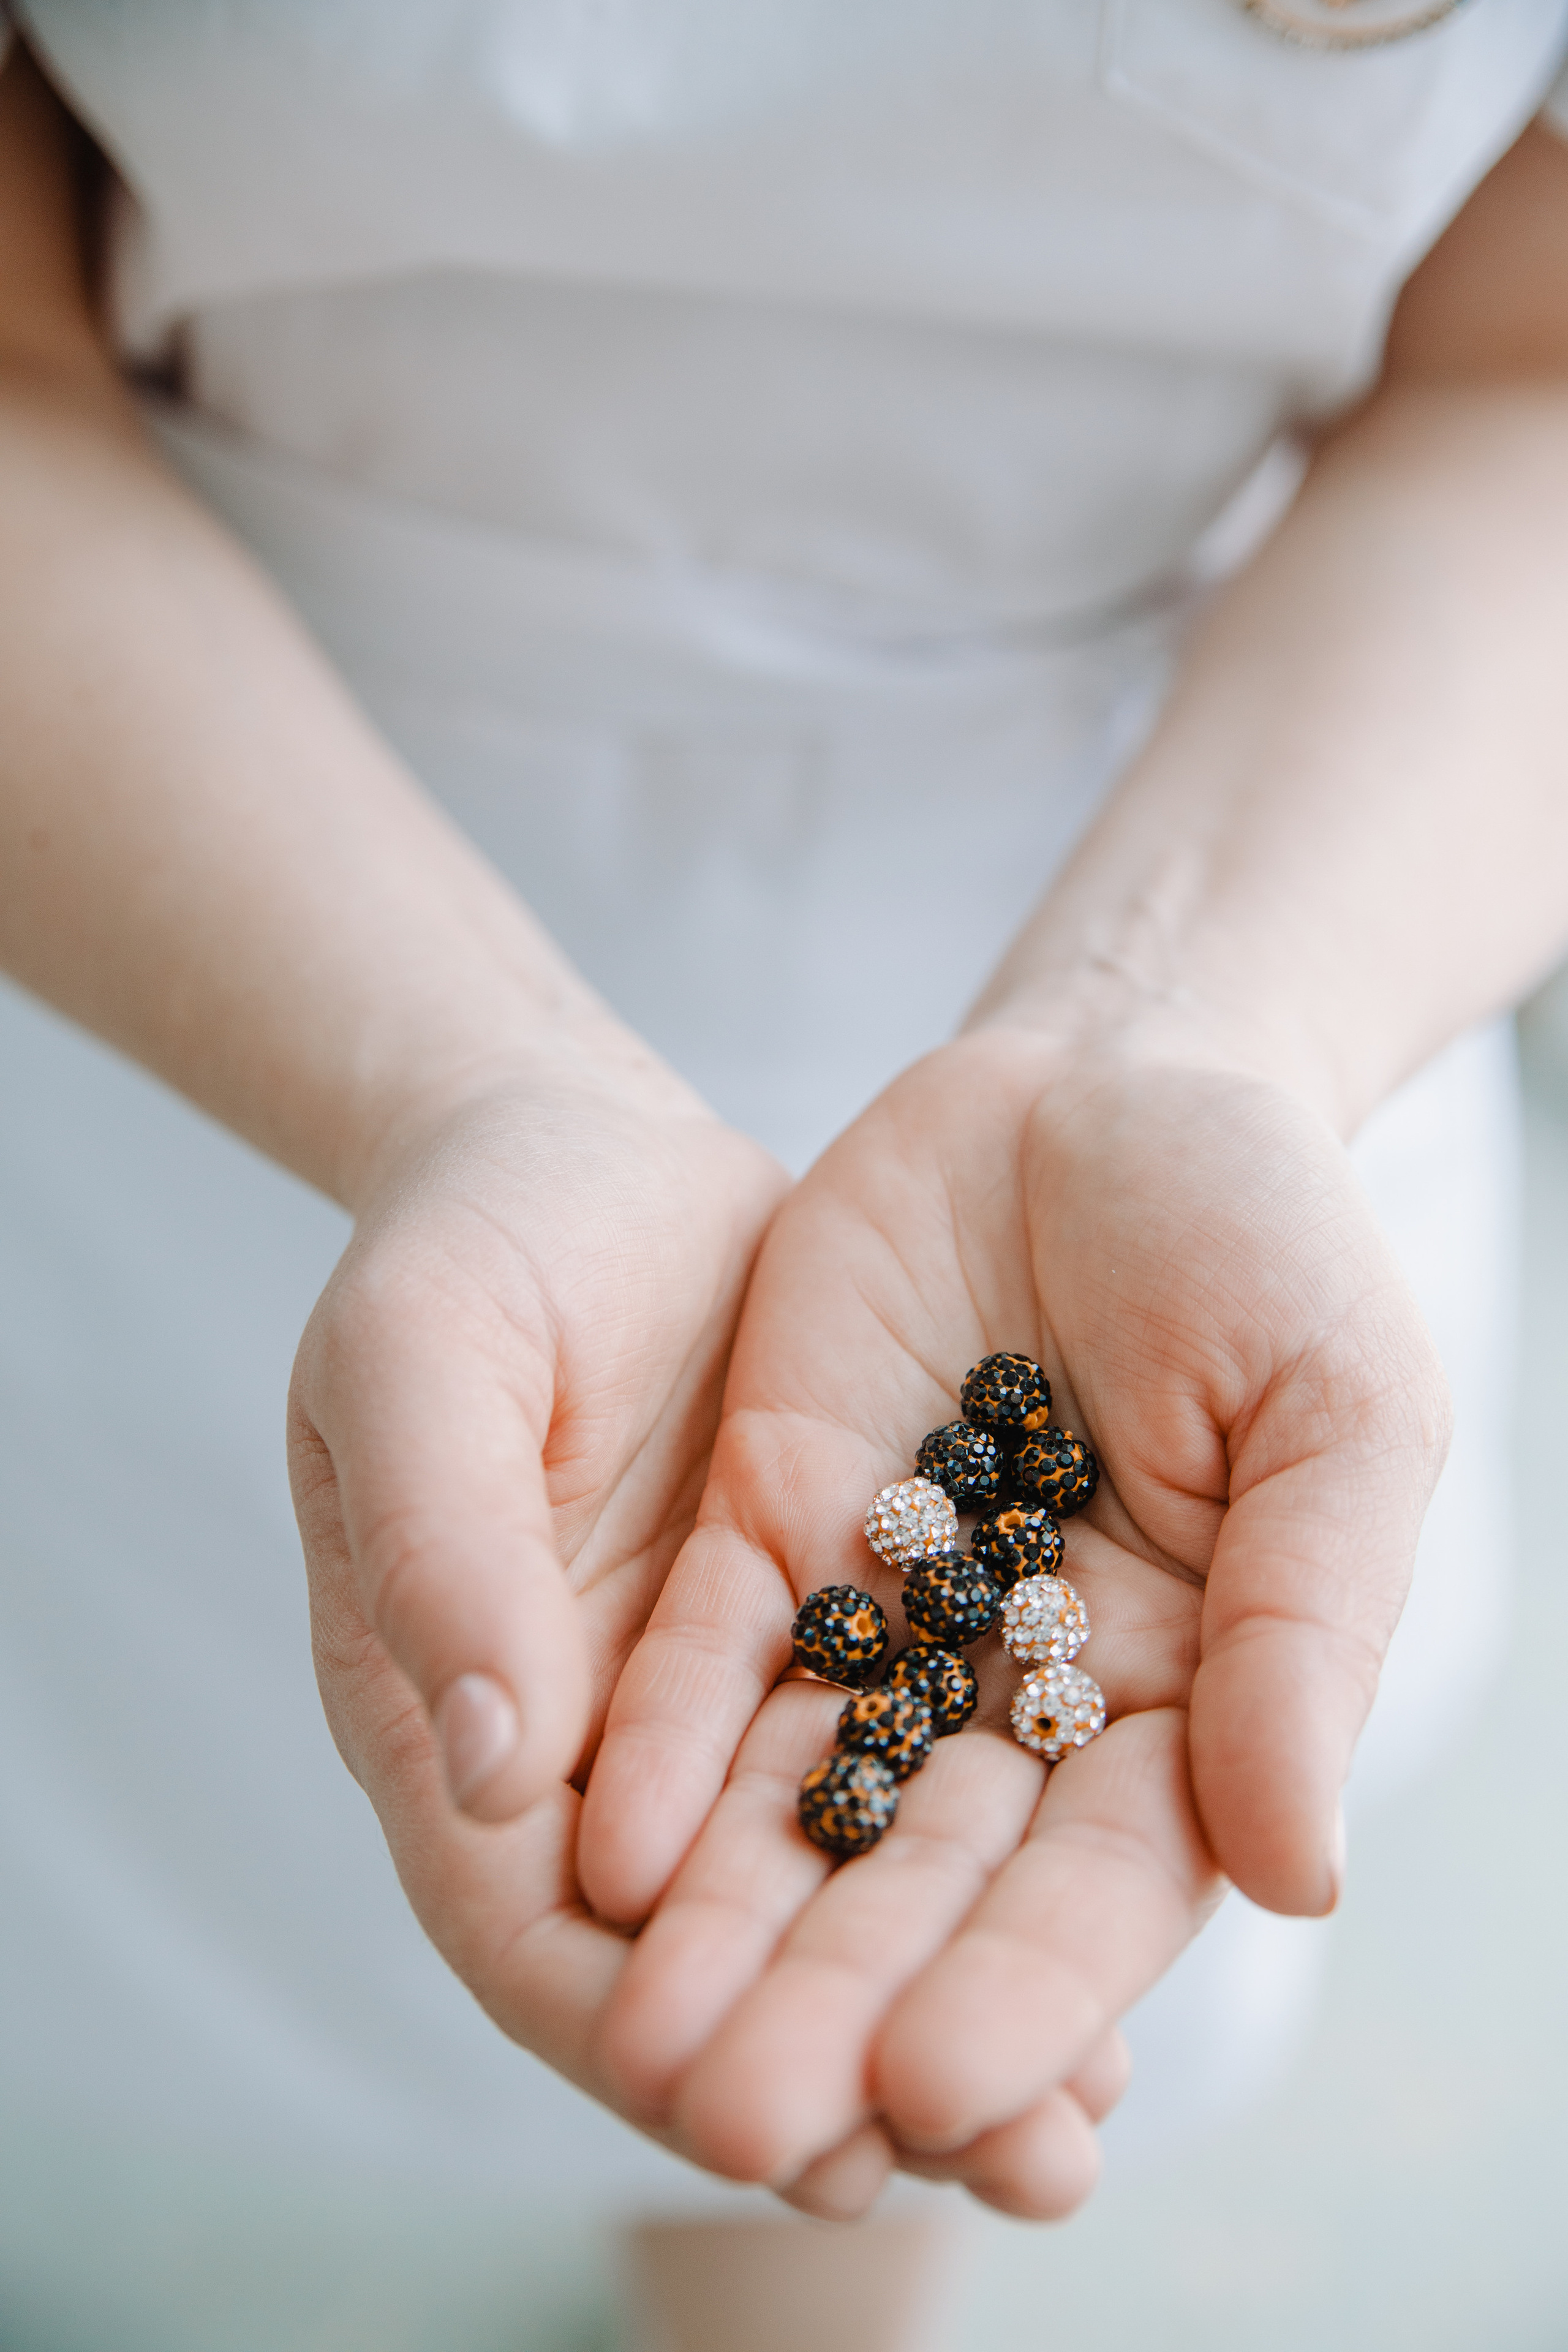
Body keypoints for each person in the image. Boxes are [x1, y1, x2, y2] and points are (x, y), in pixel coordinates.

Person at [2, 0, 1567, 2332]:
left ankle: (803, 2257)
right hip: (219, 878)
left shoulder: (1001, 1508)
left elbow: (1520, 375)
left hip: (1252, 848)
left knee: (869, 2039)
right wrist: (464, 1087)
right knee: (351, 1755)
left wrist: (1198, 1029)